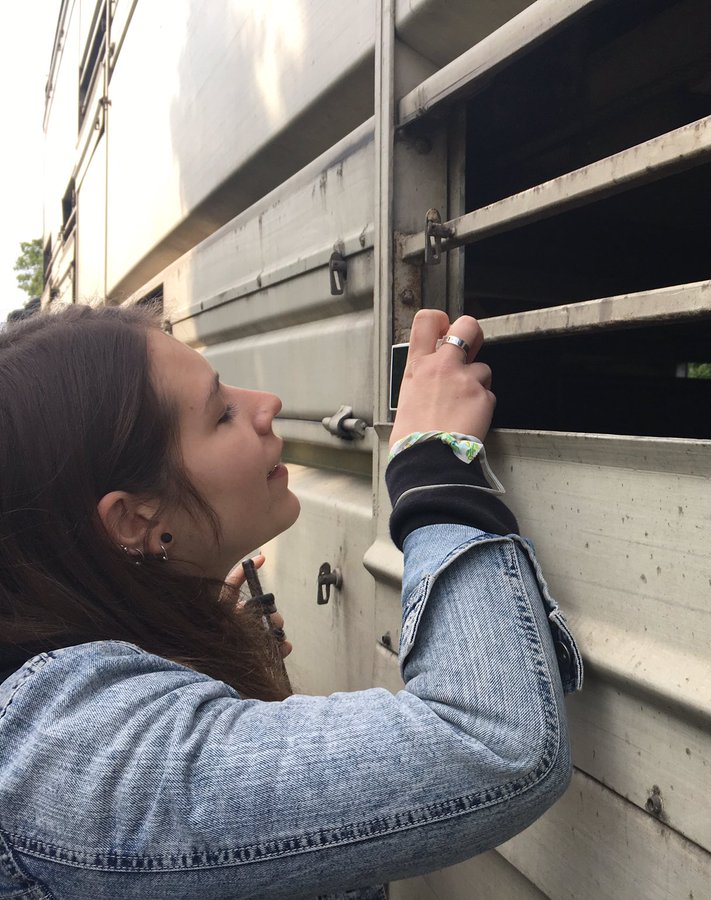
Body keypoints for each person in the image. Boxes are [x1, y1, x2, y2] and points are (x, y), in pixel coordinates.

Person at [0, 304, 582, 899]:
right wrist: (434, 468)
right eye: (221, 413)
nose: (267, 404)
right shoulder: (86, 764)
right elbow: (490, 741)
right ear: (132, 518)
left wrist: (194, 661)